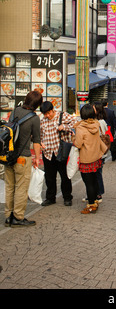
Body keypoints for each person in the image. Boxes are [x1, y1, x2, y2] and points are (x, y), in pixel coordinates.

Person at [4, 90, 43, 227]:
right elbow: (36, 141)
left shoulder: (15, 112)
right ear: (38, 104)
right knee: (21, 188)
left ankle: (8, 216)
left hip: (9, 155)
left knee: (10, 187)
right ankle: (18, 217)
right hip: (23, 157)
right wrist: (37, 158)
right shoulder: (34, 118)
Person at [40, 101, 76, 207]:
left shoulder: (62, 116)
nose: (47, 116)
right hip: (48, 152)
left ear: (52, 110)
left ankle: (67, 197)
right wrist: (41, 143)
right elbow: (40, 134)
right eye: (45, 114)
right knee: (49, 177)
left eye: (48, 113)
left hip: (61, 151)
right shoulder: (42, 121)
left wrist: (64, 127)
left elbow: (75, 123)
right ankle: (50, 198)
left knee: (65, 176)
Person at [73, 104, 107, 214]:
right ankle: (95, 200)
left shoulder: (81, 128)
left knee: (88, 183)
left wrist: (73, 138)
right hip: (96, 157)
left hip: (86, 158)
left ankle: (91, 204)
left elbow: (78, 144)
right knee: (94, 180)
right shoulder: (96, 124)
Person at [92, 101, 108, 203]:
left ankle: (99, 193)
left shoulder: (100, 122)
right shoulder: (100, 121)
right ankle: (95, 193)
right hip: (98, 151)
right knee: (96, 173)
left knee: (97, 173)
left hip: (99, 151)